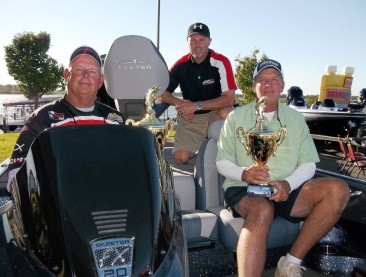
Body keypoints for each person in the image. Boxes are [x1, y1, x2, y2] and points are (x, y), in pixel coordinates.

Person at [216, 59, 350, 277]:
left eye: (274, 80)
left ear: (282, 85)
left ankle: (289, 263)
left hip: (286, 189)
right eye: (262, 80)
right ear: (253, 86)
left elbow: (308, 164)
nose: (268, 84)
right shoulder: (235, 118)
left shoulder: (296, 119)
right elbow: (222, 162)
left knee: (338, 190)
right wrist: (245, 173)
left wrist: (289, 183)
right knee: (262, 210)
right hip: (243, 187)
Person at [7, 46, 125, 192]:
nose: (86, 75)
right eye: (79, 69)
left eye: (93, 71)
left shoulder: (116, 120)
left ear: (100, 81)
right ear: (66, 75)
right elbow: (15, 176)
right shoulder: (42, 119)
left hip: (109, 205)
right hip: (59, 208)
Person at [159, 22, 237, 164]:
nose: (197, 44)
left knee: (228, 112)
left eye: (202, 40)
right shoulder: (180, 65)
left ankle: (225, 152)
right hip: (191, 118)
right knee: (181, 158)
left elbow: (229, 99)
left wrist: (196, 105)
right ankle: (204, 150)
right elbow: (162, 93)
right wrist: (181, 103)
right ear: (187, 42)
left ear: (209, 41)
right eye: (193, 40)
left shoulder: (221, 62)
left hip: (215, 113)